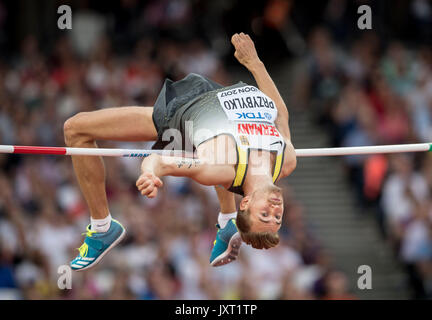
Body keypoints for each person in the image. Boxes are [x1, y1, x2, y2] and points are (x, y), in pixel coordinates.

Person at [64, 33, 297, 271]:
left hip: (181, 114)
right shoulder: (286, 161)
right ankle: (227, 221)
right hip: (218, 95)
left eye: (264, 215)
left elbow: (161, 161)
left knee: (75, 129)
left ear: (245, 203)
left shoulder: (218, 167)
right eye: (276, 218)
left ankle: (102, 227)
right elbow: (280, 114)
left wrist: (149, 174)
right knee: (229, 151)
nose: (275, 210)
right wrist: (254, 63)